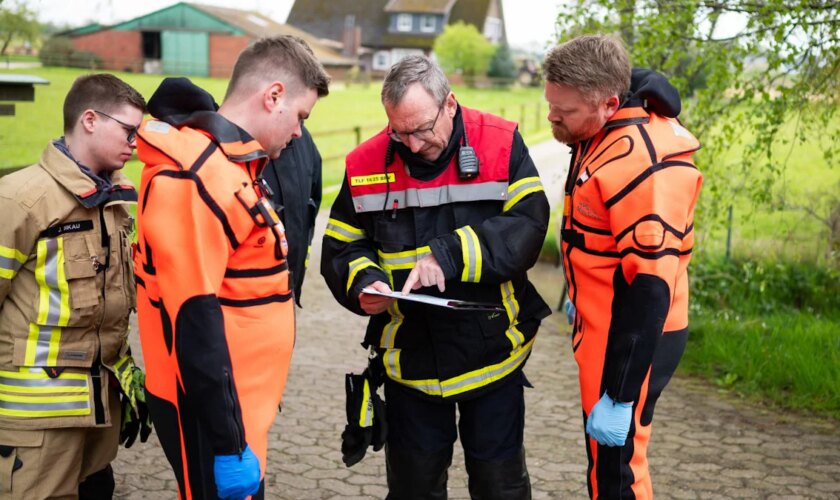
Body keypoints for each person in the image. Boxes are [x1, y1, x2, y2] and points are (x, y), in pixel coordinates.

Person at [321, 55, 551, 499]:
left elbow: (527, 227)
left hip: (493, 359)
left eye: (422, 129)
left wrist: (447, 256)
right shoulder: (365, 162)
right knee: (414, 489)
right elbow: (342, 243)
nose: (411, 144)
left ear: (450, 104)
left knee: (499, 487)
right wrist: (362, 281)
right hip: (411, 364)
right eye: (398, 131)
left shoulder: (500, 144)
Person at [133, 36, 329, 499]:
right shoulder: (194, 177)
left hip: (240, 410)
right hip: (210, 417)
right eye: (301, 116)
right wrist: (227, 444)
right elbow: (193, 319)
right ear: (273, 95)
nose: (301, 132)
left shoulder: (231, 164)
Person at [544, 35, 703, 499]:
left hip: (631, 335)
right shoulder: (602, 119)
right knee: (604, 461)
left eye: (565, 111)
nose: (552, 116)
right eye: (551, 103)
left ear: (609, 103)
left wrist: (618, 391)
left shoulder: (642, 167)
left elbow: (651, 288)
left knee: (617, 468)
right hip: (600, 322)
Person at [0, 74, 149, 498]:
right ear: (89, 119)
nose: (136, 143)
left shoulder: (116, 202)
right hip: (36, 426)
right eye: (128, 130)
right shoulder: (19, 200)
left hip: (100, 413)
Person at [261, 123, 322, 305]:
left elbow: (311, 203)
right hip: (246, 305)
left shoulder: (303, 140)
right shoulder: (230, 143)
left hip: (288, 293)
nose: (297, 131)